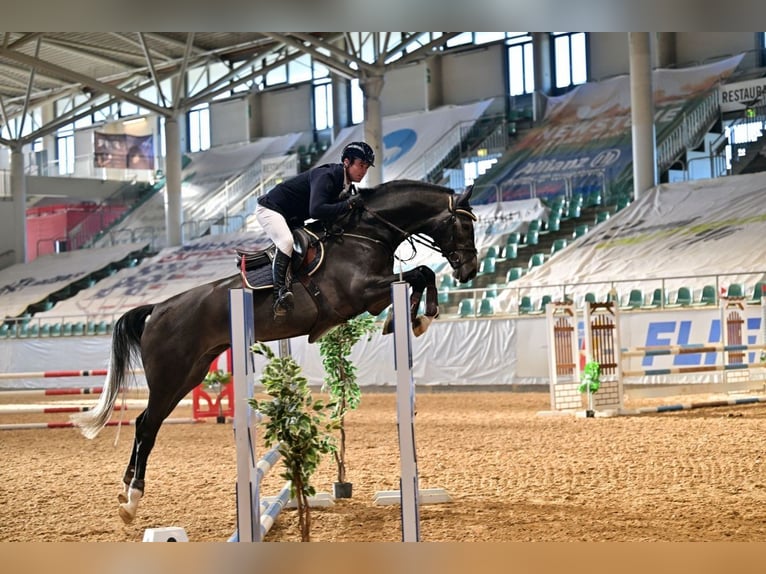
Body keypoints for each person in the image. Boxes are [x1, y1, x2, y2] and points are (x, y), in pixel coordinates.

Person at [255, 141, 375, 317]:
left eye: (366, 167)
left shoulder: (347, 186)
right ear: (347, 162)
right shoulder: (328, 175)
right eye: (361, 165)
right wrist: (348, 205)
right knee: (286, 242)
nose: (363, 171)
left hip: (292, 217)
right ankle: (279, 294)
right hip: (271, 209)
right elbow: (316, 210)